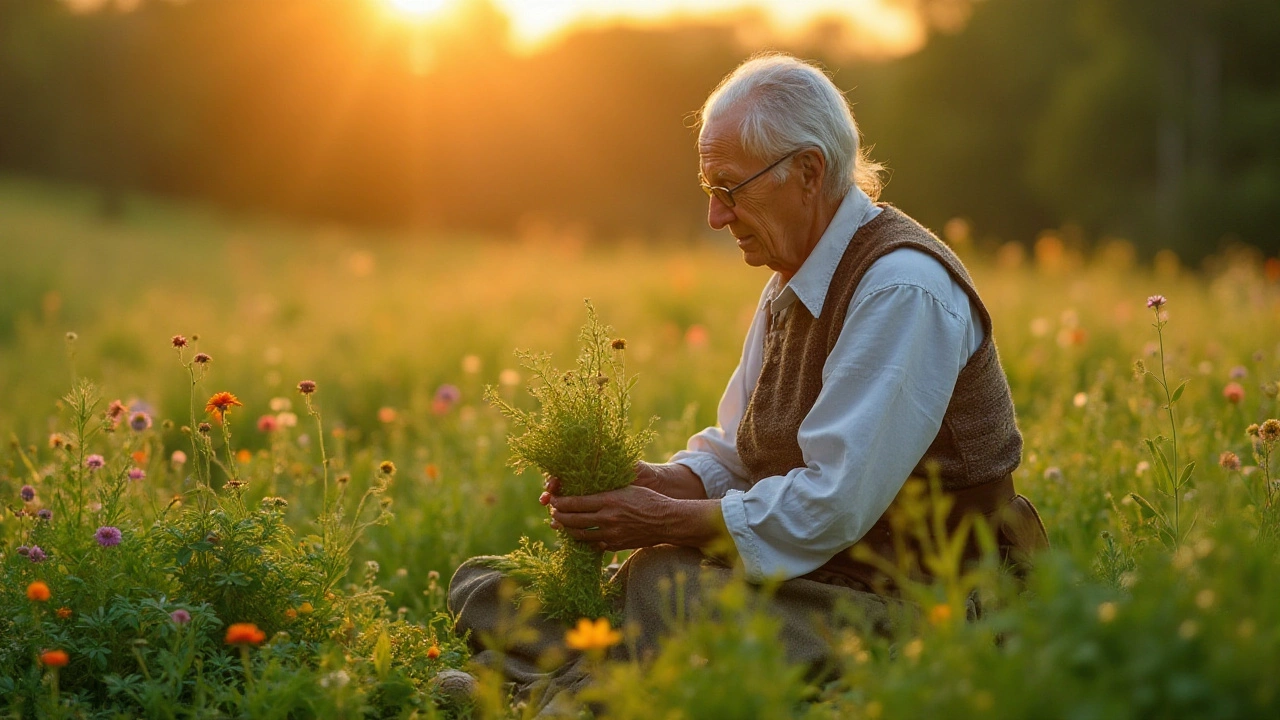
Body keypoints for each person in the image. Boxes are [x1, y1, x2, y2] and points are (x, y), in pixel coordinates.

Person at [449, 51, 1048, 708]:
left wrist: (667, 522)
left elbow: (833, 503)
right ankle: (582, 681)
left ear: (809, 172)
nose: (717, 217)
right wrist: (651, 483)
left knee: (664, 585)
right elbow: (739, 452)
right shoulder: (790, 282)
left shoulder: (900, 290)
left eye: (728, 189)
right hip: (817, 581)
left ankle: (560, 691)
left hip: (919, 604)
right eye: (710, 192)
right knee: (482, 586)